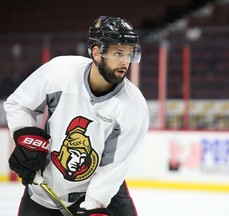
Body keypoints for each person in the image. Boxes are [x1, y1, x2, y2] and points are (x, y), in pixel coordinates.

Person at [4, 16, 149, 216]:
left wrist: (94, 207)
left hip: (102, 193)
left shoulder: (134, 106)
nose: (125, 62)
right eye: (118, 53)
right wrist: (25, 137)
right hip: (44, 191)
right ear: (97, 53)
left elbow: (113, 168)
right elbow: (19, 104)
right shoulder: (60, 72)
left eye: (129, 54)